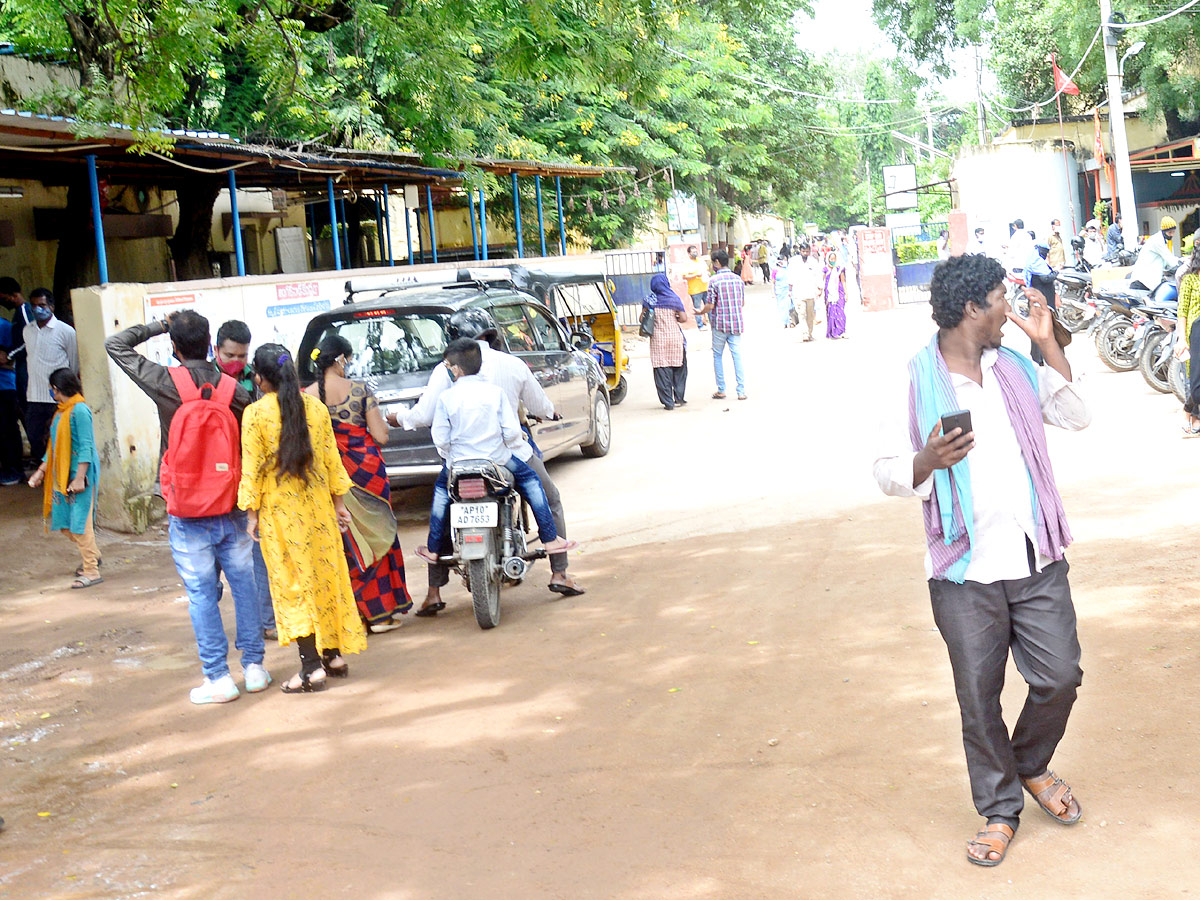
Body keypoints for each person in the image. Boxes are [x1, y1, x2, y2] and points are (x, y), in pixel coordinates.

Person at [874, 253, 1089, 867]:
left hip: (1032, 553)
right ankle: (999, 809)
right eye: (1001, 298)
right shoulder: (913, 381)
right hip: (963, 568)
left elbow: (1076, 414)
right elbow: (886, 470)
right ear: (973, 309)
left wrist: (1049, 346)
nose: (1009, 309)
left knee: (1060, 676)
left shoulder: (1014, 367)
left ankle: (1030, 764)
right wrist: (926, 461)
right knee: (979, 695)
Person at [105, 310, 267, 705]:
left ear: (174, 346)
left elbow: (116, 345)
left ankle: (218, 677)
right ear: (211, 343)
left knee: (200, 593)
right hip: (231, 502)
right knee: (244, 584)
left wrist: (160, 325)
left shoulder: (165, 381)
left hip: (187, 507)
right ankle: (255, 668)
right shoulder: (236, 391)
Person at [390, 308, 586, 611]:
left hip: (460, 461)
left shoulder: (446, 371)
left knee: (442, 505)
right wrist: (548, 414)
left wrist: (402, 419)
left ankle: (433, 592)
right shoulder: (510, 364)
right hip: (503, 456)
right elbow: (534, 407)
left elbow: (426, 419)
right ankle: (558, 569)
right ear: (490, 336)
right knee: (548, 496)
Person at [238, 344, 365, 694]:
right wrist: (339, 505)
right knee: (325, 575)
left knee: (294, 584)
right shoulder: (316, 408)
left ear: (261, 378)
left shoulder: (255, 415)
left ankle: (311, 668)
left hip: (280, 515)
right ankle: (333, 655)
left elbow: (251, 471)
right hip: (319, 509)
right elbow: (330, 461)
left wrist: (251, 514)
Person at [417, 338, 577, 565]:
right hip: (496, 459)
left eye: (447, 366)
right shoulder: (494, 393)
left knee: (442, 495)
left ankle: (433, 550)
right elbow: (511, 432)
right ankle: (550, 539)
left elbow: (440, 438)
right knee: (532, 483)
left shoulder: (446, 397)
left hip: (459, 463)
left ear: (456, 369)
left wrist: (451, 455)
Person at [305, 335, 412, 633]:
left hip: (330, 475)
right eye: (348, 360)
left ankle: (355, 617)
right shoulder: (359, 390)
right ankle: (381, 613)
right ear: (340, 359)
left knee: (346, 542)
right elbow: (380, 436)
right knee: (378, 534)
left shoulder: (307, 396)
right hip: (367, 472)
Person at [214, 319, 276, 639]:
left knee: (258, 554)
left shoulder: (255, 381)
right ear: (216, 349)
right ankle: (210, 624)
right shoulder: (205, 380)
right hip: (211, 484)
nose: (236, 363)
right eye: (230, 355)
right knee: (213, 563)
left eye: (242, 356)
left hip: (249, 479)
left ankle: (267, 621)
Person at [27, 368, 102, 588]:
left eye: (52, 389)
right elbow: (53, 448)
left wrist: (79, 478)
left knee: (80, 524)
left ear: (57, 389)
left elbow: (87, 445)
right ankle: (94, 555)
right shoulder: (60, 413)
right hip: (62, 474)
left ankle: (92, 570)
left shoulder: (80, 411)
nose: (52, 392)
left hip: (81, 475)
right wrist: (41, 471)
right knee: (64, 523)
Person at [23, 289, 78, 465]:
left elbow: (74, 364)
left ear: (52, 307)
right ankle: (45, 474)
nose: (38, 309)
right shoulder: (27, 330)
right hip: (34, 396)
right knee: (35, 436)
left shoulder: (65, 331)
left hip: (57, 397)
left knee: (59, 438)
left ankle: (60, 474)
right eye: (34, 305)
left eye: (42, 305)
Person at [693, 249, 746, 400]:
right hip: (736, 323)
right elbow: (742, 303)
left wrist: (700, 312)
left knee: (717, 355)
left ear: (717, 262)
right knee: (737, 356)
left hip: (720, 324)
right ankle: (741, 391)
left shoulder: (714, 281)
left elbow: (710, 305)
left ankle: (721, 389)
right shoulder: (738, 280)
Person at [643, 273, 689, 409]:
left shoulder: (649, 300)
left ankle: (668, 402)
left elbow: (642, 319)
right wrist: (674, 316)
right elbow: (683, 318)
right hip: (674, 338)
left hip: (658, 340)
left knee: (662, 370)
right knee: (679, 368)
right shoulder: (674, 298)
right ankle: (679, 398)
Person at [1175, 244, 1200, 434]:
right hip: (1194, 334)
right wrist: (1182, 339)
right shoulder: (1189, 280)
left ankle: (1195, 417)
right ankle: (1187, 413)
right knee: (1195, 382)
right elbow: (1182, 312)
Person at [1024, 240, 1058, 365]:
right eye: (1044, 252)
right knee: (1041, 329)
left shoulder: (1038, 262)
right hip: (1040, 302)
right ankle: (1039, 358)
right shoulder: (1036, 263)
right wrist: (1056, 273)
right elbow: (1045, 278)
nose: (1045, 254)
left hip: (1040, 300)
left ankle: (1040, 357)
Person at [1130, 215, 1180, 290]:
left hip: (1146, 283)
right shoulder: (1157, 241)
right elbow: (1171, 261)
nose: (1172, 235)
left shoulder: (1162, 241)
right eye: (1170, 232)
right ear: (1163, 231)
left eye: (1173, 232)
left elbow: (1167, 264)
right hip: (1142, 282)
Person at [0, 315, 20, 485]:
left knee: (7, 430)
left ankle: (13, 471)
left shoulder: (4, 327)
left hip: (5, 386)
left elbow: (9, 358)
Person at [790, 242, 823, 342]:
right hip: (799, 292)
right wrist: (789, 290)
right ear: (800, 251)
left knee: (810, 315)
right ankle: (805, 334)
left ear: (810, 251)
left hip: (811, 292)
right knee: (802, 314)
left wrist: (820, 288)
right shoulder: (794, 262)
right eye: (803, 251)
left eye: (807, 251)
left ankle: (810, 333)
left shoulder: (813, 262)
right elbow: (790, 276)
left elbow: (818, 275)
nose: (805, 253)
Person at [681, 245, 710, 329]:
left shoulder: (701, 261)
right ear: (689, 253)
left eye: (696, 251)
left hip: (705, 287)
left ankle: (712, 324)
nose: (695, 253)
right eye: (693, 252)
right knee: (697, 307)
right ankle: (700, 325)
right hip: (695, 290)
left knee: (708, 306)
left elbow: (706, 270)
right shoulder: (687, 264)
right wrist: (695, 275)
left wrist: (707, 273)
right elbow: (684, 276)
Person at [823, 248, 848, 340]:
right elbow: (822, 281)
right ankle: (833, 332)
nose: (832, 261)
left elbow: (843, 281)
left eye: (834, 259)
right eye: (831, 259)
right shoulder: (825, 269)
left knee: (840, 311)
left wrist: (846, 293)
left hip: (839, 293)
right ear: (828, 259)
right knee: (831, 312)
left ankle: (842, 331)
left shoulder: (839, 269)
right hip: (829, 294)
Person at [771, 248, 793, 328]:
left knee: (789, 306)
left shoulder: (788, 269)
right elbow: (773, 282)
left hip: (788, 290)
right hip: (779, 291)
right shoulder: (775, 270)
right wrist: (773, 292)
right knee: (781, 306)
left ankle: (790, 321)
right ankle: (784, 322)